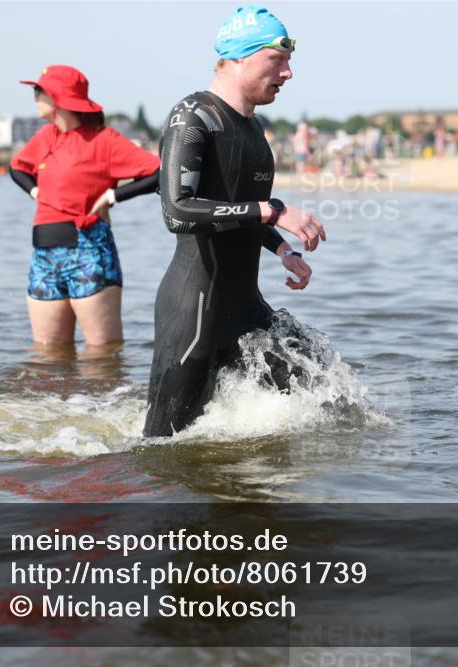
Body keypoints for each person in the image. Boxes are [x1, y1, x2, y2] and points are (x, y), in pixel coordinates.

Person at [144, 5, 326, 437]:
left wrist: (283, 248)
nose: (288, 73)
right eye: (276, 60)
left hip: (245, 308)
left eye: (288, 62)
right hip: (195, 315)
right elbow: (178, 211)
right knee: (163, 449)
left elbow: (238, 209)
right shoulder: (193, 117)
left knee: (327, 395)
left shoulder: (254, 128)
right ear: (239, 57)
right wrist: (273, 210)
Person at [9, 65, 161, 346]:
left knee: (102, 355)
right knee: (47, 357)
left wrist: (113, 196)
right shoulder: (45, 136)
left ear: (59, 96)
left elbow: (159, 173)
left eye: (39, 90)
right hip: (43, 259)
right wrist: (35, 191)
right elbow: (17, 167)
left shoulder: (105, 140)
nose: (35, 96)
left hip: (89, 254)